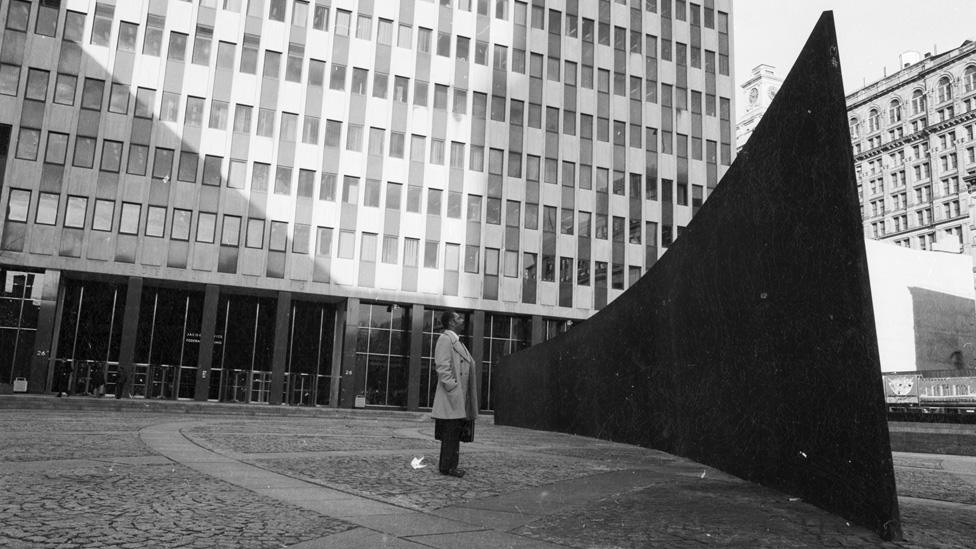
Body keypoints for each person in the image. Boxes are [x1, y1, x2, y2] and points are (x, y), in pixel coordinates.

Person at [431, 310, 478, 478]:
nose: (461, 320)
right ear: (451, 323)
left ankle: (450, 466)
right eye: (458, 318)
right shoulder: (446, 339)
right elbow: (442, 366)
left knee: (454, 433)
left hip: (458, 397)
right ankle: (447, 467)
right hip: (452, 397)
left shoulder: (456, 341)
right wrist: (453, 388)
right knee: (450, 433)